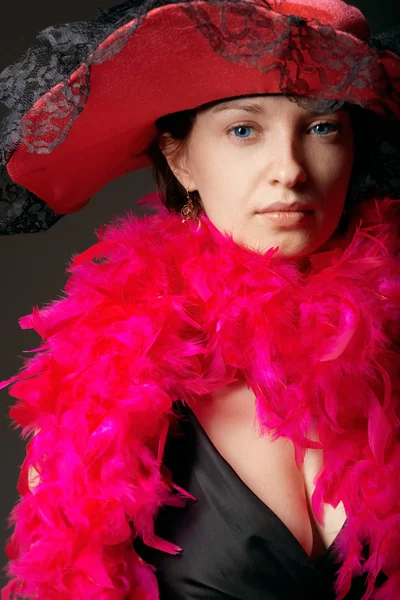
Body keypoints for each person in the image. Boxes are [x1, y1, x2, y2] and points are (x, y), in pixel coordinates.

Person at [0, 0, 399, 598]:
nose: (289, 170)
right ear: (180, 157)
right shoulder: (97, 398)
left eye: (321, 128)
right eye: (244, 129)